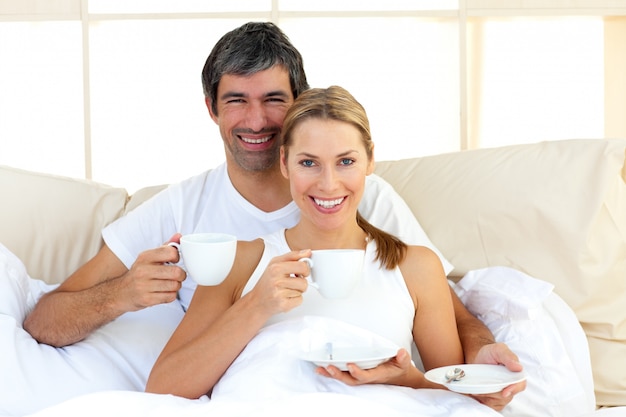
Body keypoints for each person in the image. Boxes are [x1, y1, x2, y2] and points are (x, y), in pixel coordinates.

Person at [22, 22, 523, 410]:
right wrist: (127, 293)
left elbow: (448, 348)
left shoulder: (385, 218)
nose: (328, 185)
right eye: (237, 100)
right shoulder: (221, 245)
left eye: (273, 101)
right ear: (212, 109)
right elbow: (148, 376)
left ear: (367, 161)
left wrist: (468, 360)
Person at [146, 85, 467, 398]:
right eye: (309, 163)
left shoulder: (416, 267)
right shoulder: (239, 263)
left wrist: (409, 378)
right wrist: (256, 305)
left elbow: (456, 395)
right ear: (284, 163)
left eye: (346, 161)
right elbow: (163, 388)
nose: (328, 184)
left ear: (370, 160)